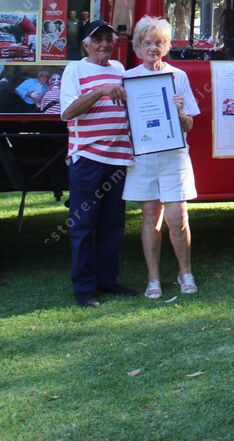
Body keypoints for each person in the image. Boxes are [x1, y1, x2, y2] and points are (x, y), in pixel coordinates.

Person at [122, 16, 200, 300]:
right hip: (144, 157)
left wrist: (179, 113)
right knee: (150, 217)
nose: (152, 48)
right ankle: (153, 279)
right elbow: (127, 122)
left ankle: (185, 273)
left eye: (158, 43)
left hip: (174, 157)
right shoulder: (129, 78)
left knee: (177, 217)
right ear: (138, 47)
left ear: (165, 46)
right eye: (147, 43)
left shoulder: (178, 76)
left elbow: (189, 124)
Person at [60, 20, 135, 308]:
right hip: (88, 158)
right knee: (83, 224)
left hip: (118, 159)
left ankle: (107, 280)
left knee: (112, 224)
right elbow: (67, 113)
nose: (104, 43)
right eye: (97, 39)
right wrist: (99, 91)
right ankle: (84, 288)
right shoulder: (75, 70)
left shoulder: (120, 70)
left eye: (108, 38)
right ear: (85, 45)